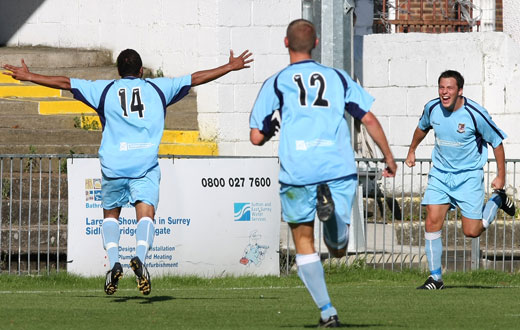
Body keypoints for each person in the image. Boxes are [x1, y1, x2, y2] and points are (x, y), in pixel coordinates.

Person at [3, 48, 253, 295]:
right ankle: (140, 258)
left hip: (114, 166)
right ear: (142, 71)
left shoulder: (105, 89)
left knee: (110, 216)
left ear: (119, 72)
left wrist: (30, 76)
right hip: (143, 164)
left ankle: (114, 263)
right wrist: (229, 67)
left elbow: (66, 82)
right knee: (146, 214)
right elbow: (195, 78)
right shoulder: (158, 88)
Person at [249, 19, 396, 328]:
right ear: (315, 42)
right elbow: (367, 118)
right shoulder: (338, 78)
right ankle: (333, 225)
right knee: (339, 250)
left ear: (285, 43)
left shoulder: (276, 82)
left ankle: (328, 311)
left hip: (297, 170)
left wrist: (268, 130)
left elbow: (255, 137)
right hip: (336, 168)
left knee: (303, 242)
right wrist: (388, 156)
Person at [405, 70, 515, 290]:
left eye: (450, 88)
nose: (444, 93)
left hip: (468, 177)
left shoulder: (475, 113)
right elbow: (422, 128)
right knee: (431, 220)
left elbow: (497, 142)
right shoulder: (432, 108)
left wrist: (501, 176)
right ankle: (435, 278)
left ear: (460, 91)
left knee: (471, 231)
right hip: (441, 175)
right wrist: (412, 150)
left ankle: (497, 201)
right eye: (441, 88)